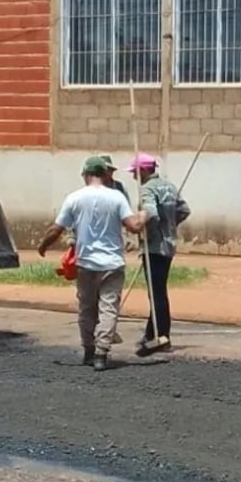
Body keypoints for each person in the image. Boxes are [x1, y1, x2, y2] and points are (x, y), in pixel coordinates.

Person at [37, 156, 144, 371]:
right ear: (104, 174)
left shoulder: (74, 198)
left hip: (85, 263)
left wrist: (43, 246)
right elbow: (134, 226)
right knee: (108, 308)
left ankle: (88, 350)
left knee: (86, 309)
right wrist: (145, 214)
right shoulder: (116, 197)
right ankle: (101, 354)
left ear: (85, 174)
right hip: (112, 263)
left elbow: (56, 229)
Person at [127, 152, 191, 357]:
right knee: (157, 291)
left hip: (154, 247)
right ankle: (150, 333)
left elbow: (151, 213)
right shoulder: (169, 186)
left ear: (144, 171)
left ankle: (163, 336)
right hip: (169, 246)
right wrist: (170, 226)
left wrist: (148, 231)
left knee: (157, 293)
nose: (134, 177)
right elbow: (184, 210)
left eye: (135, 172)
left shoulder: (147, 189)